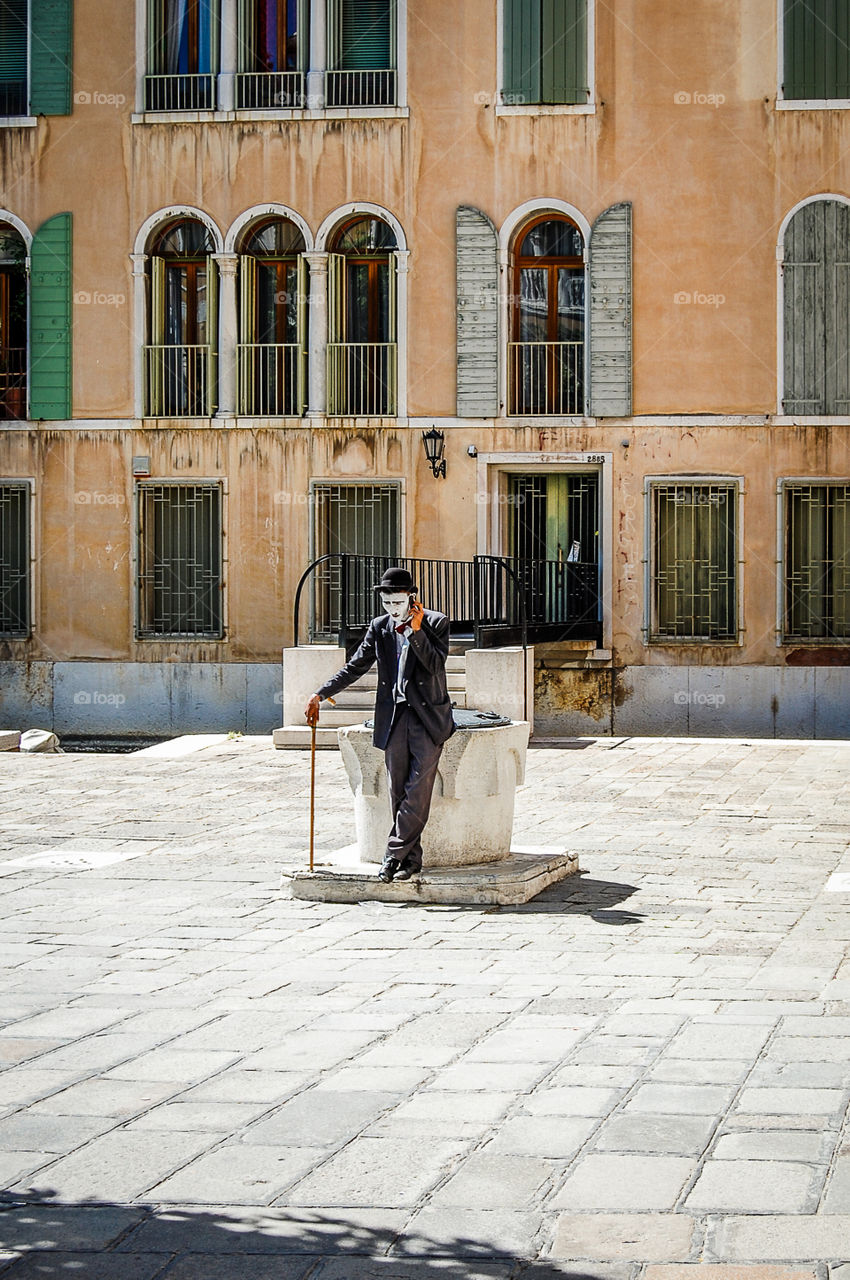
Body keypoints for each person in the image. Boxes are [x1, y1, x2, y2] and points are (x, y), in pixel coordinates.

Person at [304, 567, 454, 882]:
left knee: (417, 789)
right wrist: (320, 693)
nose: (393, 610)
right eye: (387, 604)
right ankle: (410, 862)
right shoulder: (379, 627)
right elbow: (355, 665)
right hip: (394, 717)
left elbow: (436, 665)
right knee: (397, 789)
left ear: (411, 597)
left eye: (398, 603)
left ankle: (391, 856)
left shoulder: (436, 622)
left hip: (428, 718)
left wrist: (416, 632)